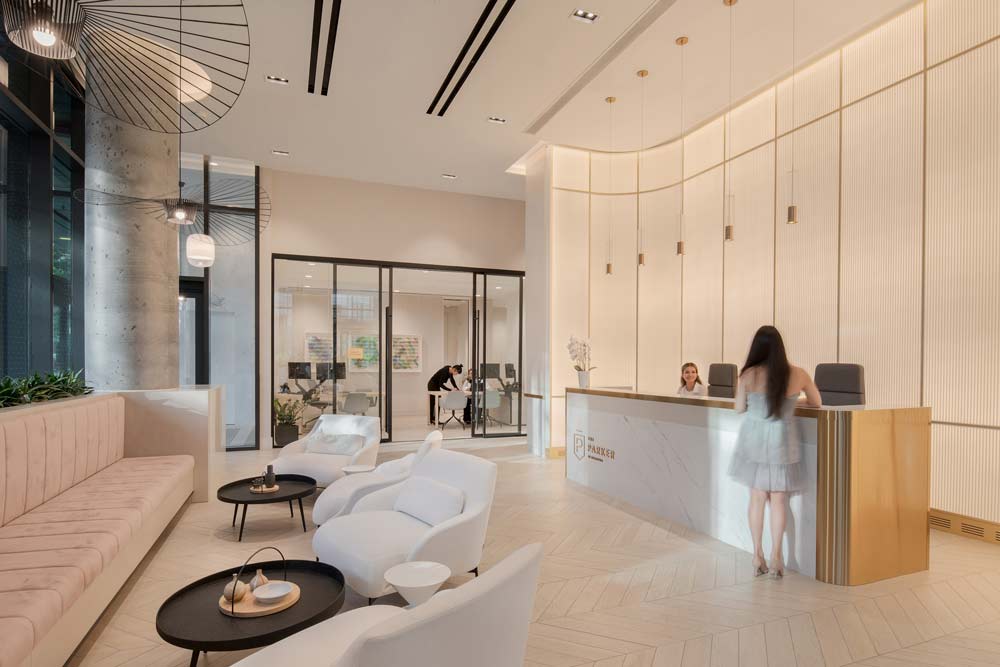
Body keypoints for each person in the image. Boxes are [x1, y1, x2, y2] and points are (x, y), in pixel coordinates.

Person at [728, 326, 821, 579]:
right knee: (779, 499)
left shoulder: (748, 374)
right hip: (783, 439)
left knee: (757, 498)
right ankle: (778, 556)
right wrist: (793, 401)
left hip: (755, 440)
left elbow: (738, 409)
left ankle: (757, 554)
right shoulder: (798, 373)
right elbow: (817, 402)